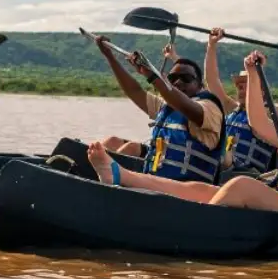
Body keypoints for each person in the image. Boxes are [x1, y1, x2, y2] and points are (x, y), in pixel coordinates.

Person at [85, 52, 278, 214]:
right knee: (201, 189)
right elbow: (258, 124)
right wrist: (254, 74)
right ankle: (121, 176)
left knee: (241, 186)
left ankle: (194, 228)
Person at [92, 35, 224, 182]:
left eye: (186, 78)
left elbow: (186, 106)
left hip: (187, 193)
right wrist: (109, 56)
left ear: (200, 86)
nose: (178, 82)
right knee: (109, 144)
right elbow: (135, 91)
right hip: (157, 185)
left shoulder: (210, 108)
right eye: (173, 78)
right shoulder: (166, 107)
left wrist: (151, 75)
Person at [203, 26, 278, 178]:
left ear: (261, 91)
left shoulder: (271, 115)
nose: (240, 87)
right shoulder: (230, 108)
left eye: (246, 83)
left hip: (250, 176)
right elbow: (212, 81)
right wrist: (212, 45)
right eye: (239, 84)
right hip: (219, 171)